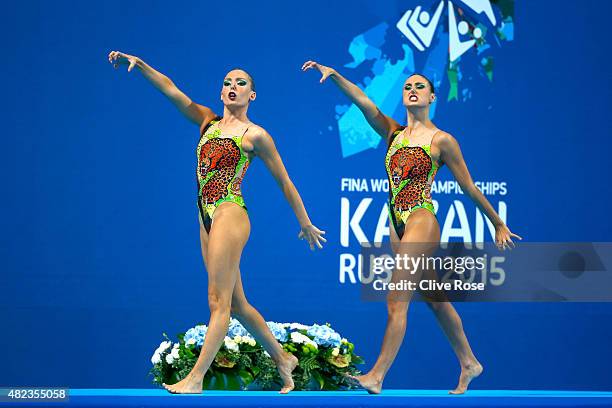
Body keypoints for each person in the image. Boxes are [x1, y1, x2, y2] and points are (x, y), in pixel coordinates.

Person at [108, 50, 326, 394]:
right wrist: (142, 65)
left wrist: (305, 222)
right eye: (227, 83)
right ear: (221, 93)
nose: (233, 87)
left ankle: (195, 378)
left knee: (216, 301)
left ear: (251, 95)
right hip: (204, 215)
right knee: (237, 305)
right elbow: (171, 89)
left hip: (229, 212)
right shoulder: (206, 122)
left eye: (241, 83)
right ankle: (283, 358)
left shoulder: (256, 135)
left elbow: (284, 181)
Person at [302, 60, 521, 394]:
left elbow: (469, 187)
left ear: (432, 97)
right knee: (434, 298)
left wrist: (498, 223)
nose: (413, 90)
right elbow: (364, 103)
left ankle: (376, 375)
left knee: (396, 299)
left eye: (420, 87)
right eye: (408, 87)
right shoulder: (392, 133)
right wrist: (335, 77)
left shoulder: (442, 140)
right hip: (396, 222)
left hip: (422, 218)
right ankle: (469, 362)